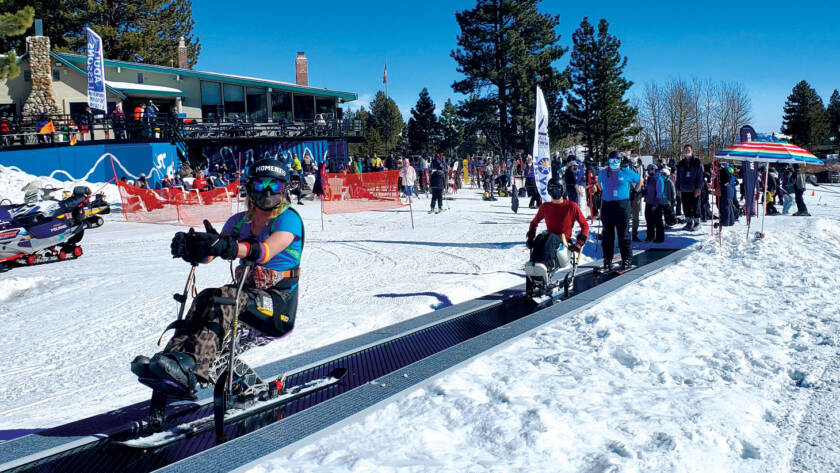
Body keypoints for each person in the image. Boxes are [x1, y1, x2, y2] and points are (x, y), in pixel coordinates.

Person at [131, 159, 304, 396]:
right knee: (205, 297)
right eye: (260, 184)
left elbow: (264, 252)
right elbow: (213, 253)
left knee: (227, 297)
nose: (266, 191)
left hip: (278, 306)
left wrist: (228, 247)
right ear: (250, 187)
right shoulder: (239, 222)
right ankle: (171, 360)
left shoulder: (288, 219)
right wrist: (196, 247)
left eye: (273, 185)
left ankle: (196, 369)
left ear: (283, 189)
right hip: (248, 295)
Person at [526, 178, 589, 270]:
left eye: (557, 188)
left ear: (562, 189)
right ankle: (533, 265)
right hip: (549, 239)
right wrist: (531, 236)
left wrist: (580, 242)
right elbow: (534, 222)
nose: (554, 190)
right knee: (540, 237)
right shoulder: (545, 207)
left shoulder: (571, 206)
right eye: (551, 188)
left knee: (551, 237)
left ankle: (547, 265)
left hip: (564, 242)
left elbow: (585, 225)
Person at [595, 151, 642, 271]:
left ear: (620, 161)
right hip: (607, 205)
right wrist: (603, 192)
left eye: (616, 161)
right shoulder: (603, 172)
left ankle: (626, 259)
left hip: (622, 205)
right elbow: (599, 183)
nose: (613, 163)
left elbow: (640, 180)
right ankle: (607, 258)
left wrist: (635, 192)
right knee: (607, 234)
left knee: (623, 233)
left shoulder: (626, 172)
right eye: (611, 161)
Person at [676, 145, 704, 231]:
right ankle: (688, 223)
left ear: (692, 150)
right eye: (685, 150)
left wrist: (699, 187)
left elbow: (700, 177)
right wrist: (678, 188)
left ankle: (697, 222)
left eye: (688, 150)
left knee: (696, 206)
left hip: (694, 189)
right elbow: (678, 177)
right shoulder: (681, 163)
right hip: (684, 189)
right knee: (686, 207)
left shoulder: (697, 162)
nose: (687, 151)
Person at [643, 164, 665, 243]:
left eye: (650, 170)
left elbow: (659, 192)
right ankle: (650, 236)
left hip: (656, 203)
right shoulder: (649, 178)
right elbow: (647, 189)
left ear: (653, 169)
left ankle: (660, 237)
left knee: (658, 221)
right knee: (649, 221)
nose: (648, 172)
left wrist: (655, 204)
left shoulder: (658, 178)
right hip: (648, 202)